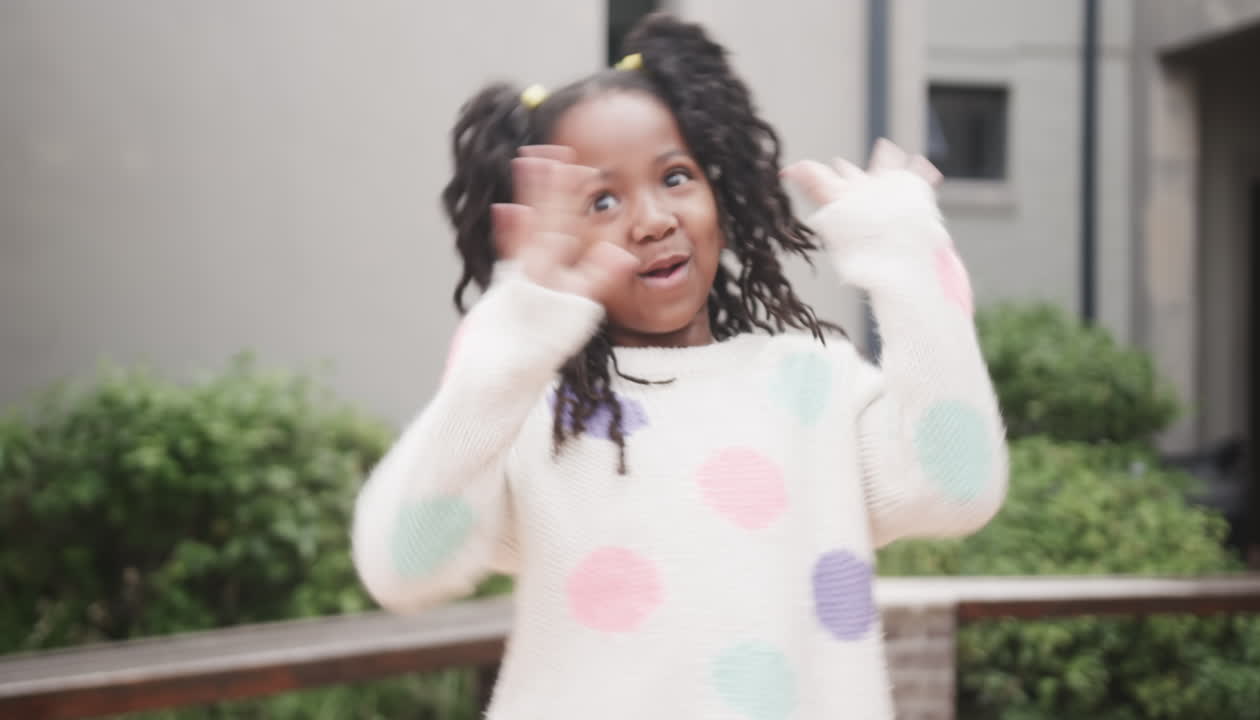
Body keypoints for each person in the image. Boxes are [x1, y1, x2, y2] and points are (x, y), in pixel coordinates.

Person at [352, 12, 1007, 719]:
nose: (652, 218)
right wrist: (515, 337)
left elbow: (960, 485)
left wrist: (904, 253)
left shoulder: (812, 382)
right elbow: (403, 566)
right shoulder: (535, 416)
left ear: (719, 195)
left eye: (675, 176)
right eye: (601, 200)